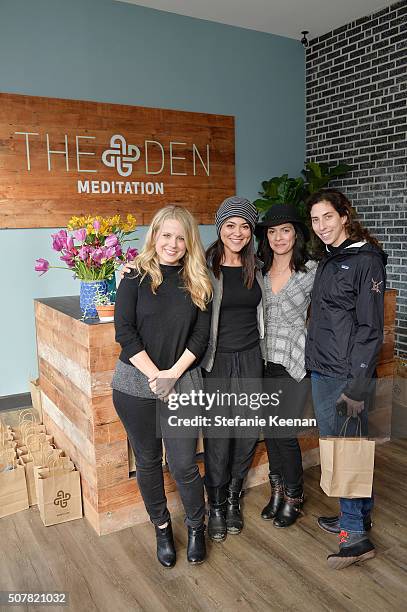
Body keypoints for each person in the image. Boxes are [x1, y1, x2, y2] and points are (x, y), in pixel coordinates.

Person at [111, 205, 212, 568]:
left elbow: (201, 339)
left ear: (189, 242)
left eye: (180, 237)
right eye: (165, 235)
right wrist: (156, 375)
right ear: (154, 235)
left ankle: (197, 526)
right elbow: (124, 332)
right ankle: (162, 528)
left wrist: (172, 374)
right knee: (149, 463)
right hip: (134, 385)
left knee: (184, 463)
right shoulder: (133, 277)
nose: (172, 243)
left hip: (182, 383)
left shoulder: (199, 280)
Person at [305, 188, 386, 569]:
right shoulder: (331, 258)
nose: (321, 226)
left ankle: (354, 535)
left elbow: (371, 330)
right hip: (323, 367)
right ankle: (357, 514)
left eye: (328, 217)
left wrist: (356, 386)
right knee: (344, 444)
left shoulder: (365, 260)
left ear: (344, 216)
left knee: (346, 447)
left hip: (345, 374)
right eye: (316, 219)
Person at [200, 196, 266, 542]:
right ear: (220, 228)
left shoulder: (259, 267)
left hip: (251, 357)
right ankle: (214, 504)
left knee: (246, 431)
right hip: (217, 361)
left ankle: (232, 499)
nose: (237, 232)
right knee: (218, 435)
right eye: (230, 225)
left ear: (251, 231)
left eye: (244, 226)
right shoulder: (203, 266)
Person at [255, 204, 317, 528]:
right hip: (263, 359)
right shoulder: (259, 270)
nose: (279, 237)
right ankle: (277, 490)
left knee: (285, 433)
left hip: (293, 362)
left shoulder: (312, 271)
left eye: (286, 230)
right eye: (272, 231)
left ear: (296, 234)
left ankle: (294, 496)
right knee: (271, 433)